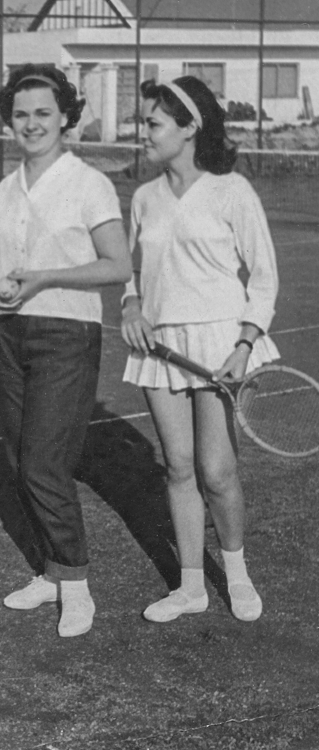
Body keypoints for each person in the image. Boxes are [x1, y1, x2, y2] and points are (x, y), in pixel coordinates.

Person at [0, 64, 131, 638]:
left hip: (66, 335)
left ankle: (77, 585)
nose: (31, 123)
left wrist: (44, 278)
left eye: (43, 112)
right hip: (8, 337)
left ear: (66, 116)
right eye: (21, 114)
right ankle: (49, 569)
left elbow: (118, 265)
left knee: (44, 464)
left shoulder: (89, 183)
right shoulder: (7, 186)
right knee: (17, 462)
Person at [121, 76, 278, 624]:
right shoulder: (143, 197)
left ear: (190, 127)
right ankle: (191, 587)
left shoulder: (232, 190)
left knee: (216, 470)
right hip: (159, 349)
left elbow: (263, 278)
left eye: (154, 123)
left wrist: (243, 343)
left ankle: (236, 575)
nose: (144, 132)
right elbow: (132, 274)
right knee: (178, 467)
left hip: (219, 346)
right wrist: (130, 306)